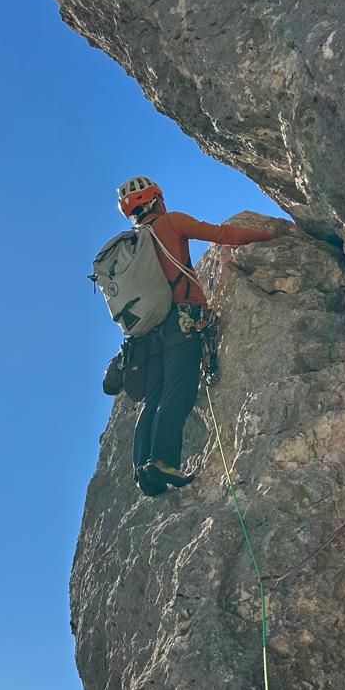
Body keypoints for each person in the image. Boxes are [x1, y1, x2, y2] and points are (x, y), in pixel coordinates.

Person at [116, 176, 276, 497]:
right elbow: (222, 235)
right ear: (157, 199)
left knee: (155, 399)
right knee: (180, 391)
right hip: (182, 322)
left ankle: (143, 470)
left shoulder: (133, 246)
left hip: (150, 335)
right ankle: (162, 460)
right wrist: (270, 235)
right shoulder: (171, 223)